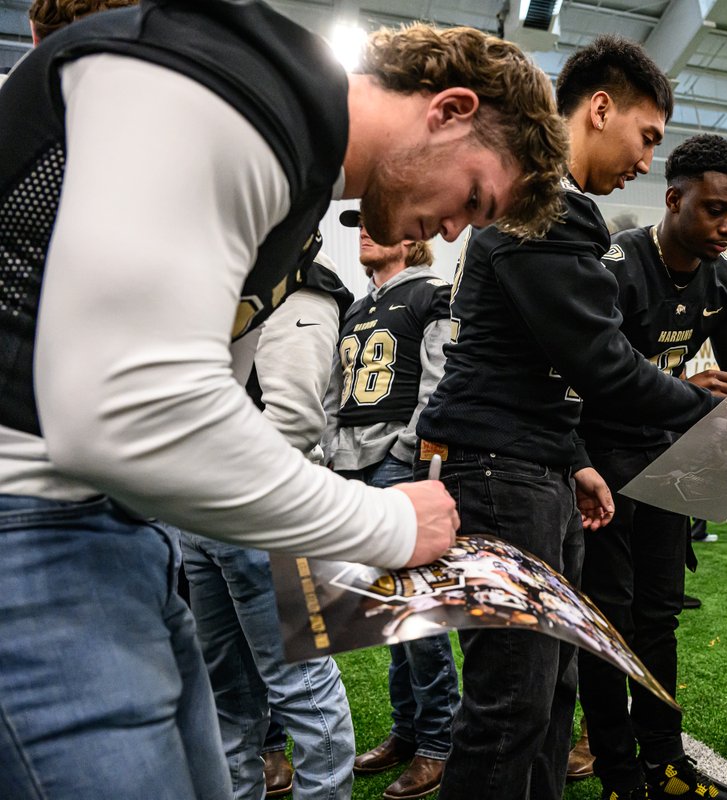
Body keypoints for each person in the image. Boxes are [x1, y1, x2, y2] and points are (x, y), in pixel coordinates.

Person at [0, 1, 567, 794]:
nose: (446, 234)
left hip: (105, 524)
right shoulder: (231, 83)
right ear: (449, 111)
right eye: (472, 199)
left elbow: (204, 399)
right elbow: (132, 413)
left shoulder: (294, 159)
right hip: (30, 520)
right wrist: (384, 522)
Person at [414, 36, 723, 800]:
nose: (649, 162)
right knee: (512, 702)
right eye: (648, 137)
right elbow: (602, 364)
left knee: (549, 695)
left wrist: (572, 456)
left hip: (530, 464)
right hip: (500, 471)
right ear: (600, 107)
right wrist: (722, 419)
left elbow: (544, 363)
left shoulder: (555, 207)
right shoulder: (540, 201)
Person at [576, 133, 727, 800]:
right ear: (674, 198)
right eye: (715, 210)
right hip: (598, 464)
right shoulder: (612, 268)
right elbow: (578, 377)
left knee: (659, 618)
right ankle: (619, 771)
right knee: (607, 623)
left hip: (666, 460)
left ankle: (663, 758)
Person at [180, 252, 358, 800]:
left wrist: (220, 494)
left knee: (301, 694)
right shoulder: (242, 270)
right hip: (205, 512)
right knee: (229, 699)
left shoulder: (301, 282)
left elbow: (295, 417)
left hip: (252, 514)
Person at [330, 212, 460, 800]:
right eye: (358, 224)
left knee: (415, 610)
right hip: (352, 462)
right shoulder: (355, 307)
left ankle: (438, 740)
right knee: (386, 609)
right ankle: (408, 730)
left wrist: (409, 450)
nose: (362, 231)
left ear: (412, 237)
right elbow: (335, 389)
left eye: (376, 223)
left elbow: (440, 380)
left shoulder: (432, 295)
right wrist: (332, 451)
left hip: (394, 458)